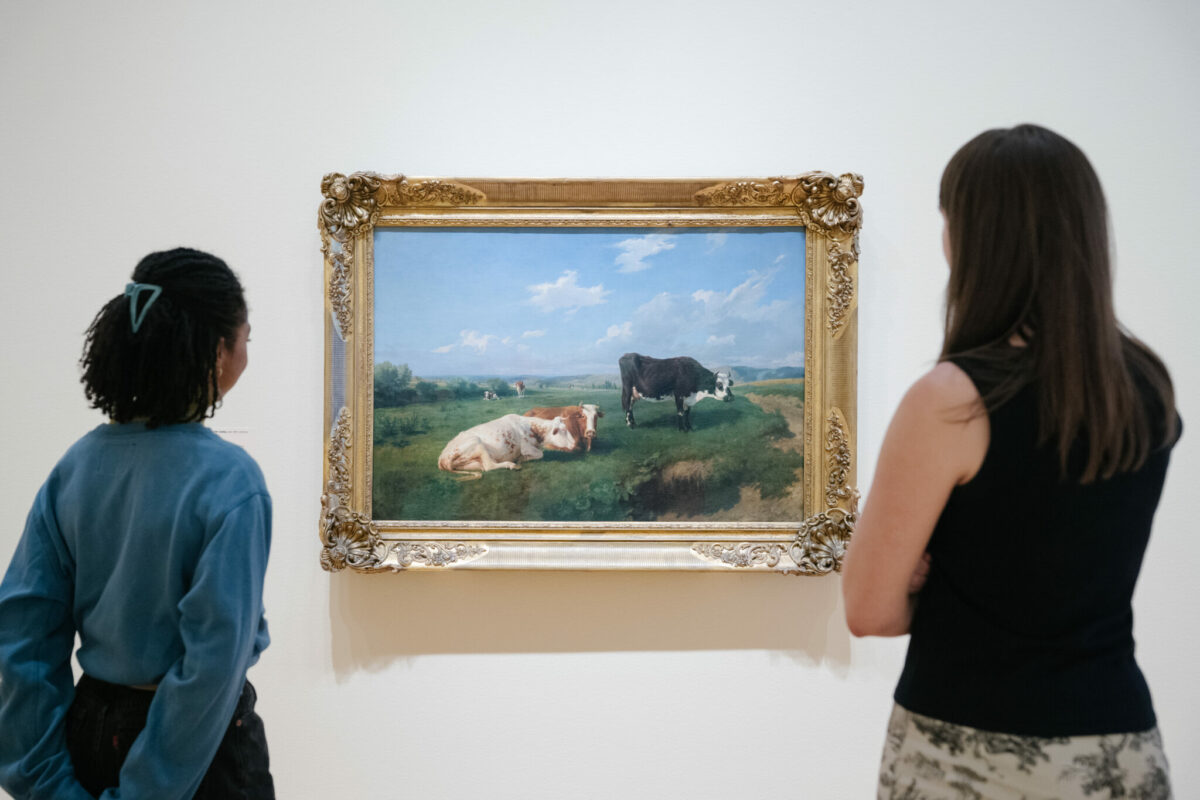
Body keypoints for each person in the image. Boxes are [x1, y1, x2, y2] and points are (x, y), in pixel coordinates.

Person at [842, 125, 1179, 798]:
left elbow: (869, 608)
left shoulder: (954, 400)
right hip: (1117, 751)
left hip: (967, 753)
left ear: (971, 237)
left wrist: (922, 582)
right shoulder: (1145, 387)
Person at [0, 248, 274, 799]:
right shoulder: (232, 481)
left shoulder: (77, 466)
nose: (247, 350)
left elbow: (22, 636)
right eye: (246, 336)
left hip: (88, 732)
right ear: (218, 350)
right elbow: (210, 670)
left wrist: (45, 782)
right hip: (196, 756)